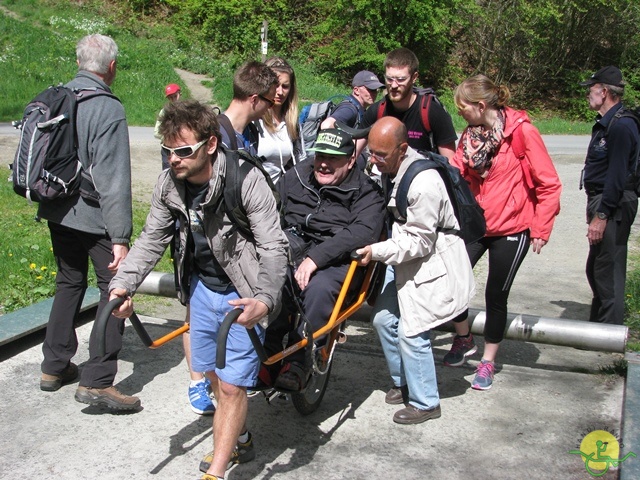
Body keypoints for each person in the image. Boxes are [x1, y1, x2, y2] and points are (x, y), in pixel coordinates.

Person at [108, 99, 288, 480]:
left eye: (183, 151)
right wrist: (122, 286)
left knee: (231, 387)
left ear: (209, 145)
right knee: (208, 373)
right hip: (202, 288)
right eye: (168, 151)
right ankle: (241, 437)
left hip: (244, 291)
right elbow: (150, 240)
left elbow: (274, 246)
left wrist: (264, 300)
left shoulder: (245, 179)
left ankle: (217, 470)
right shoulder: (169, 183)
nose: (173, 159)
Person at [36, 34, 137, 410]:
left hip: (57, 209)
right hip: (93, 217)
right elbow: (114, 179)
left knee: (68, 281)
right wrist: (120, 236)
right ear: (111, 68)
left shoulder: (59, 96)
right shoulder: (108, 108)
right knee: (115, 288)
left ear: (79, 61)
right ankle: (97, 380)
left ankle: (54, 365)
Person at [446, 74, 562, 390]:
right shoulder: (470, 136)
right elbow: (456, 172)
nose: (460, 113)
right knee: (451, 279)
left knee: (495, 294)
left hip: (513, 226)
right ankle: (463, 337)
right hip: (477, 223)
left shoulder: (522, 133)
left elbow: (548, 182)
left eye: (463, 107)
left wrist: (541, 227)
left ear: (480, 105)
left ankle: (488, 362)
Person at [356, 117, 475, 425]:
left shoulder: (424, 183)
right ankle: (404, 381)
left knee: (413, 331)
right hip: (402, 259)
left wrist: (377, 251)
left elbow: (420, 242)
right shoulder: (383, 166)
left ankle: (425, 402)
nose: (373, 160)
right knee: (383, 320)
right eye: (371, 152)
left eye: (381, 155)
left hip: (432, 263)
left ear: (402, 149)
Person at [264, 128, 386, 391]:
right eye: (320, 155)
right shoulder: (297, 175)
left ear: (351, 160)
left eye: (333, 158)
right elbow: (267, 204)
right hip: (294, 244)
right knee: (272, 280)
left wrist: (315, 259)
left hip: (339, 259)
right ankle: (267, 357)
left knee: (318, 289)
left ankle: (299, 363)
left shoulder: (366, 191)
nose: (323, 163)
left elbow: (364, 231)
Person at [579, 66, 640, 325]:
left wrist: (602, 215)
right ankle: (599, 329)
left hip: (612, 204)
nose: (587, 96)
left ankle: (610, 337)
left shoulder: (622, 126)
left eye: (591, 90)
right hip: (604, 201)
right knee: (596, 268)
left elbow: (617, 175)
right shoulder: (608, 123)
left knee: (609, 270)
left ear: (604, 92)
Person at [360, 48, 457, 159]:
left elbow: (451, 166)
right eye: (389, 79)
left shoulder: (432, 112)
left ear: (414, 77)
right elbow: (352, 153)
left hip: (425, 174)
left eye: (401, 79)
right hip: (387, 175)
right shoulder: (377, 110)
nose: (394, 85)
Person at [256, 57, 306, 183]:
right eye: (276, 85)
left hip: (281, 194)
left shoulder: (291, 123)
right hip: (253, 195)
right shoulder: (254, 119)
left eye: (285, 86)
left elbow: (301, 160)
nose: (280, 92)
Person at [217, 61, 278, 155]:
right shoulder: (218, 136)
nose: (270, 108)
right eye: (270, 102)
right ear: (254, 99)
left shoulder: (251, 131)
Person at [155, 83, 182, 169]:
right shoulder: (164, 112)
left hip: (182, 148)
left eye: (175, 96)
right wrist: (169, 137)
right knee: (167, 174)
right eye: (170, 97)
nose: (173, 99)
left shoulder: (187, 110)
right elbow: (157, 132)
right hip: (168, 149)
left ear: (179, 94)